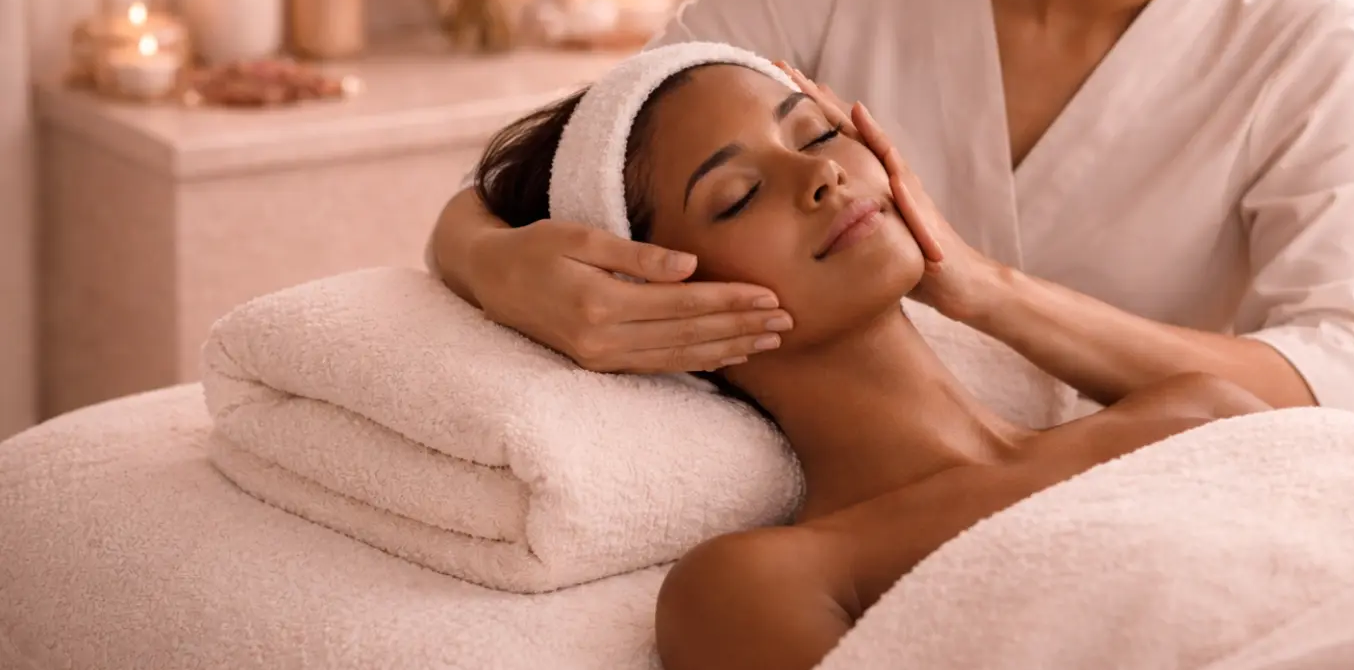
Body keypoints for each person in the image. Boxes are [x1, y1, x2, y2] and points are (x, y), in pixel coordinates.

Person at [429, 0, 1354, 426]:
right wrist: (491, 259)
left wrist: (987, 293)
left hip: (1126, 495)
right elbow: (595, 152)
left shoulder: (1302, 48)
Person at [474, 55, 1271, 670]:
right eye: (737, 195)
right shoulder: (761, 585)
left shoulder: (1195, 416)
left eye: (818, 134)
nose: (821, 175)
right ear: (651, 297)